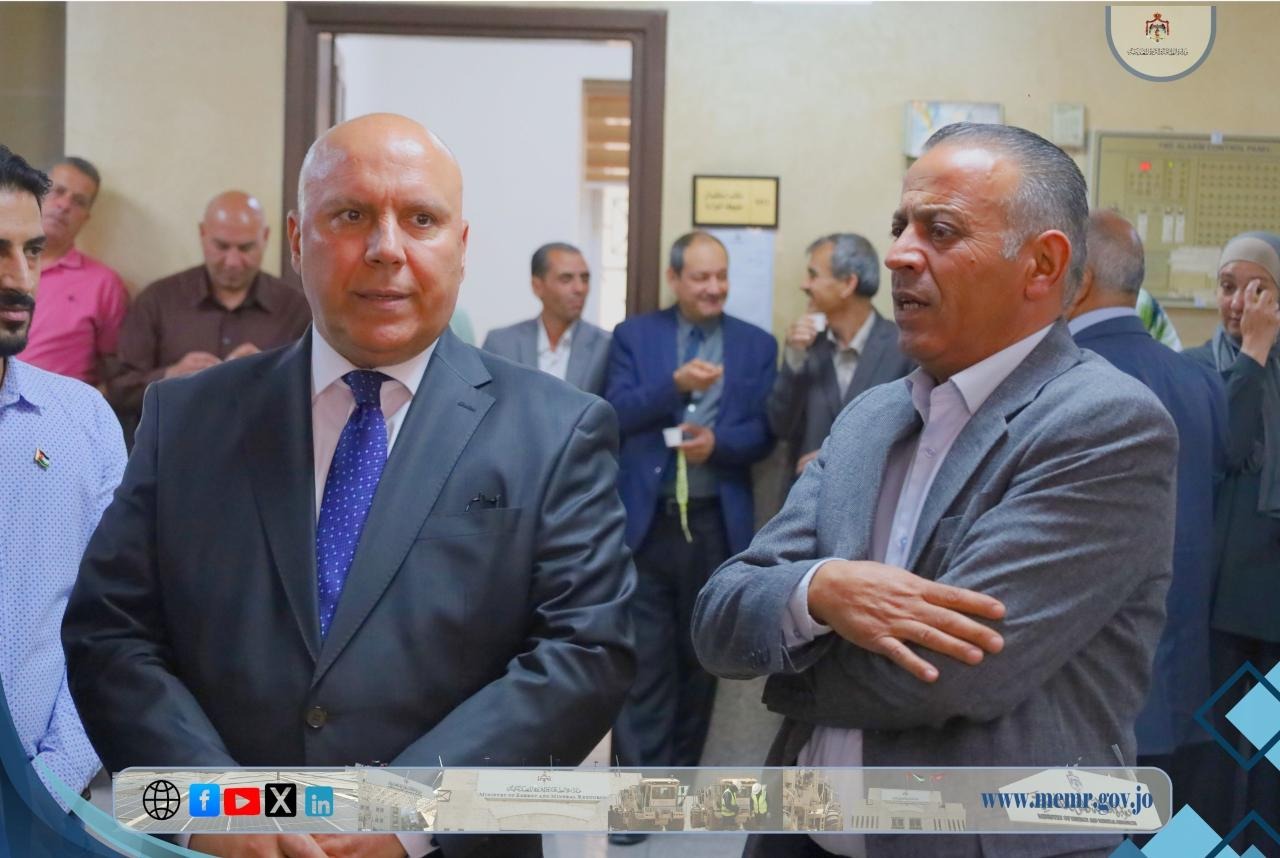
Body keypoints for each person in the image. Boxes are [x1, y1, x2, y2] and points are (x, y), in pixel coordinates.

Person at [62, 113, 635, 858]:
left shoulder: (558, 430)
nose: (387, 248)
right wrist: (215, 806)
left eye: (421, 219)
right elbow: (111, 634)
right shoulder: (189, 419)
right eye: (351, 215)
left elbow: (584, 653)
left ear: (460, 247)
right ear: (298, 240)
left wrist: (406, 813)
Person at [693, 123, 1178, 858]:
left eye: (940, 230)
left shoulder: (1103, 423)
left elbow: (950, 675)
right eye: (900, 227)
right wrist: (820, 592)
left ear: (1042, 265)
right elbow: (719, 616)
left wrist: (781, 662)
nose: (897, 254)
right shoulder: (871, 418)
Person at [1066, 209, 1227, 818]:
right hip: (1184, 679)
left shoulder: (1059, 377)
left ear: (1079, 280)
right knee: (1174, 835)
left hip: (1083, 690)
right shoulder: (1199, 379)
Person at [606, 230, 776, 780]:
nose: (714, 288)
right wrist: (673, 385)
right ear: (674, 279)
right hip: (647, 527)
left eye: (721, 276)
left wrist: (718, 445)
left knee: (700, 663)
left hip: (714, 528)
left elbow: (764, 433)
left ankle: (677, 790)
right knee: (644, 665)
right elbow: (613, 413)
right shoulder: (635, 336)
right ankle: (639, 795)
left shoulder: (756, 345)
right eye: (701, 277)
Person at [0, 146, 125, 813]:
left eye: (32, 251)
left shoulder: (84, 421)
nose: (20, 279)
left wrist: (51, 782)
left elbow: (120, 619)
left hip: (51, 797)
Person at [1185, 230, 1280, 849]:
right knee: (1210, 750)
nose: (1240, 304)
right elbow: (1227, 445)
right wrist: (1255, 354)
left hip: (1273, 601)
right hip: (1213, 601)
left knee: (1272, 754)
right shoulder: (1195, 369)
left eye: (1258, 290)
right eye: (1227, 287)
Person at [109, 191, 311, 421]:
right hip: (178, 439)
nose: (233, 262)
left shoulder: (296, 308)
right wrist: (169, 376)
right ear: (202, 233)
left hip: (264, 439)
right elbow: (119, 390)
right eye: (221, 246)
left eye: (246, 248)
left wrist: (273, 376)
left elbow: (321, 394)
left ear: (265, 237)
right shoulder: (158, 300)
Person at [767, 232, 912, 483]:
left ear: (847, 284)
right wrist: (794, 357)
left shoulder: (903, 347)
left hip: (875, 496)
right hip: (806, 497)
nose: (804, 285)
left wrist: (841, 458)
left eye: (813, 275)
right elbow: (780, 426)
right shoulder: (807, 345)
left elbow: (917, 439)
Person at [16, 156, 128, 387]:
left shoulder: (104, 285)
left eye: (78, 201)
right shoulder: (6, 264)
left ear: (85, 218)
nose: (64, 205)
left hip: (54, 406)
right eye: (57, 191)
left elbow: (116, 371)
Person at [482, 242, 610, 394]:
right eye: (566, 279)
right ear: (537, 286)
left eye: (585, 279)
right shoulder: (501, 344)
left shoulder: (605, 345)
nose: (579, 288)